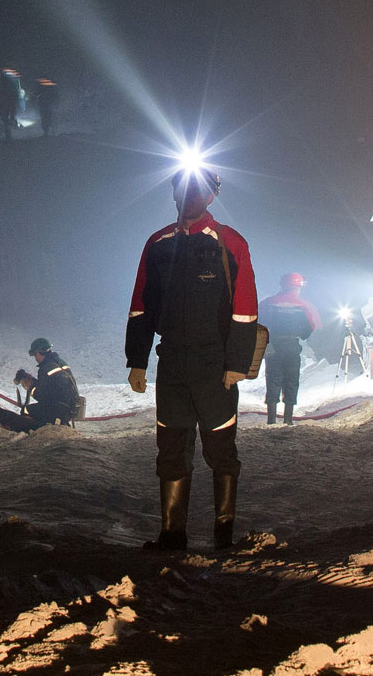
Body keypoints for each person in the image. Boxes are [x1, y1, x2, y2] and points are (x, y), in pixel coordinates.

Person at [126, 163, 258, 551]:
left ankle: (223, 532)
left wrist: (236, 363)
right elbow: (141, 305)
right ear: (173, 194)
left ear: (212, 196)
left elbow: (245, 308)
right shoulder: (157, 244)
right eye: (182, 190)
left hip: (214, 364)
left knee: (219, 449)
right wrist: (138, 359)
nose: (189, 197)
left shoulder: (230, 243)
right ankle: (172, 534)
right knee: (171, 446)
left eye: (198, 191)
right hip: (173, 365)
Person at [258, 271, 321, 425]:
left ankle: (271, 420)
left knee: (273, 380)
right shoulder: (303, 305)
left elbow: (258, 322)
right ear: (298, 287)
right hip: (292, 347)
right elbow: (312, 326)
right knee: (291, 380)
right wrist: (301, 334)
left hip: (273, 346)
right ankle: (288, 419)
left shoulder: (268, 303)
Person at [0, 337, 79, 431]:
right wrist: (33, 380)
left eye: (35, 354)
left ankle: (35, 428)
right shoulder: (60, 363)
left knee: (26, 410)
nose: (35, 358)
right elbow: (53, 387)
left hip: (57, 410)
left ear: (40, 352)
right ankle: (57, 422)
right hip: (69, 409)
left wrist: (30, 385)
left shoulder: (45, 368)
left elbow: (42, 395)